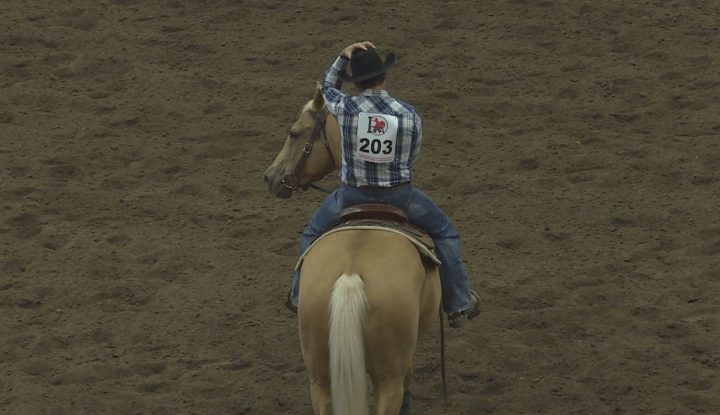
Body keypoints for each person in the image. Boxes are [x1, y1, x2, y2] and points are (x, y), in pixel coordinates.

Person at [288, 41, 479, 328]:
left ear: (356, 83)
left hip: (351, 196)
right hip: (400, 196)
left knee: (312, 233)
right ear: (384, 76)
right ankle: (459, 304)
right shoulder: (408, 114)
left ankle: (298, 296)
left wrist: (342, 58)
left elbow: (326, 87)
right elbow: (412, 156)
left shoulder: (345, 107)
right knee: (446, 235)